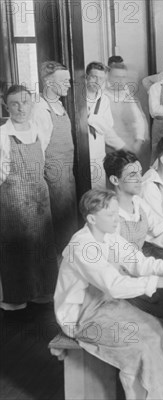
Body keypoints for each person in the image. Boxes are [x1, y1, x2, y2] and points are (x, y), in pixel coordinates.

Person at [54, 189, 163, 399]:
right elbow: (114, 285)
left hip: (107, 305)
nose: (116, 219)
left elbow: (138, 263)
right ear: (92, 219)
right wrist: (160, 282)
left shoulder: (110, 236)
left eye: (116, 213)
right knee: (141, 346)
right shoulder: (82, 245)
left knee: (160, 327)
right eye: (110, 215)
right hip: (81, 318)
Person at [0, 85, 58, 312]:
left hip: (39, 198)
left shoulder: (39, 128)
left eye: (25, 102)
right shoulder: (3, 136)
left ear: (32, 103)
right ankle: (17, 296)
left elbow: (41, 154)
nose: (20, 108)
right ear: (6, 106)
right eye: (14, 103)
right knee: (16, 247)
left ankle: (43, 291)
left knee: (42, 243)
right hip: (12, 199)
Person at [34, 61, 79, 252]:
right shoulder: (41, 108)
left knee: (68, 215)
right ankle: (64, 262)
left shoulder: (58, 104)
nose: (69, 84)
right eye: (65, 81)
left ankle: (71, 257)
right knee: (62, 219)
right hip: (54, 172)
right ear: (49, 83)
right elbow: (40, 147)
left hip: (67, 171)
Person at [105, 56, 150, 169]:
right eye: (116, 77)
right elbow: (106, 130)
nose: (120, 81)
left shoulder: (127, 95)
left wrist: (139, 141)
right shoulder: (103, 97)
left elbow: (139, 119)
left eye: (123, 77)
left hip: (132, 149)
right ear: (108, 77)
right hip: (112, 150)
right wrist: (124, 147)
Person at [86, 61, 125, 189]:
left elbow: (107, 127)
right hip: (82, 154)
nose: (97, 81)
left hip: (98, 153)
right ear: (87, 77)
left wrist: (90, 118)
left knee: (98, 192)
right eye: (94, 77)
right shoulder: (77, 98)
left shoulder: (104, 100)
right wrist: (98, 121)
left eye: (101, 78)